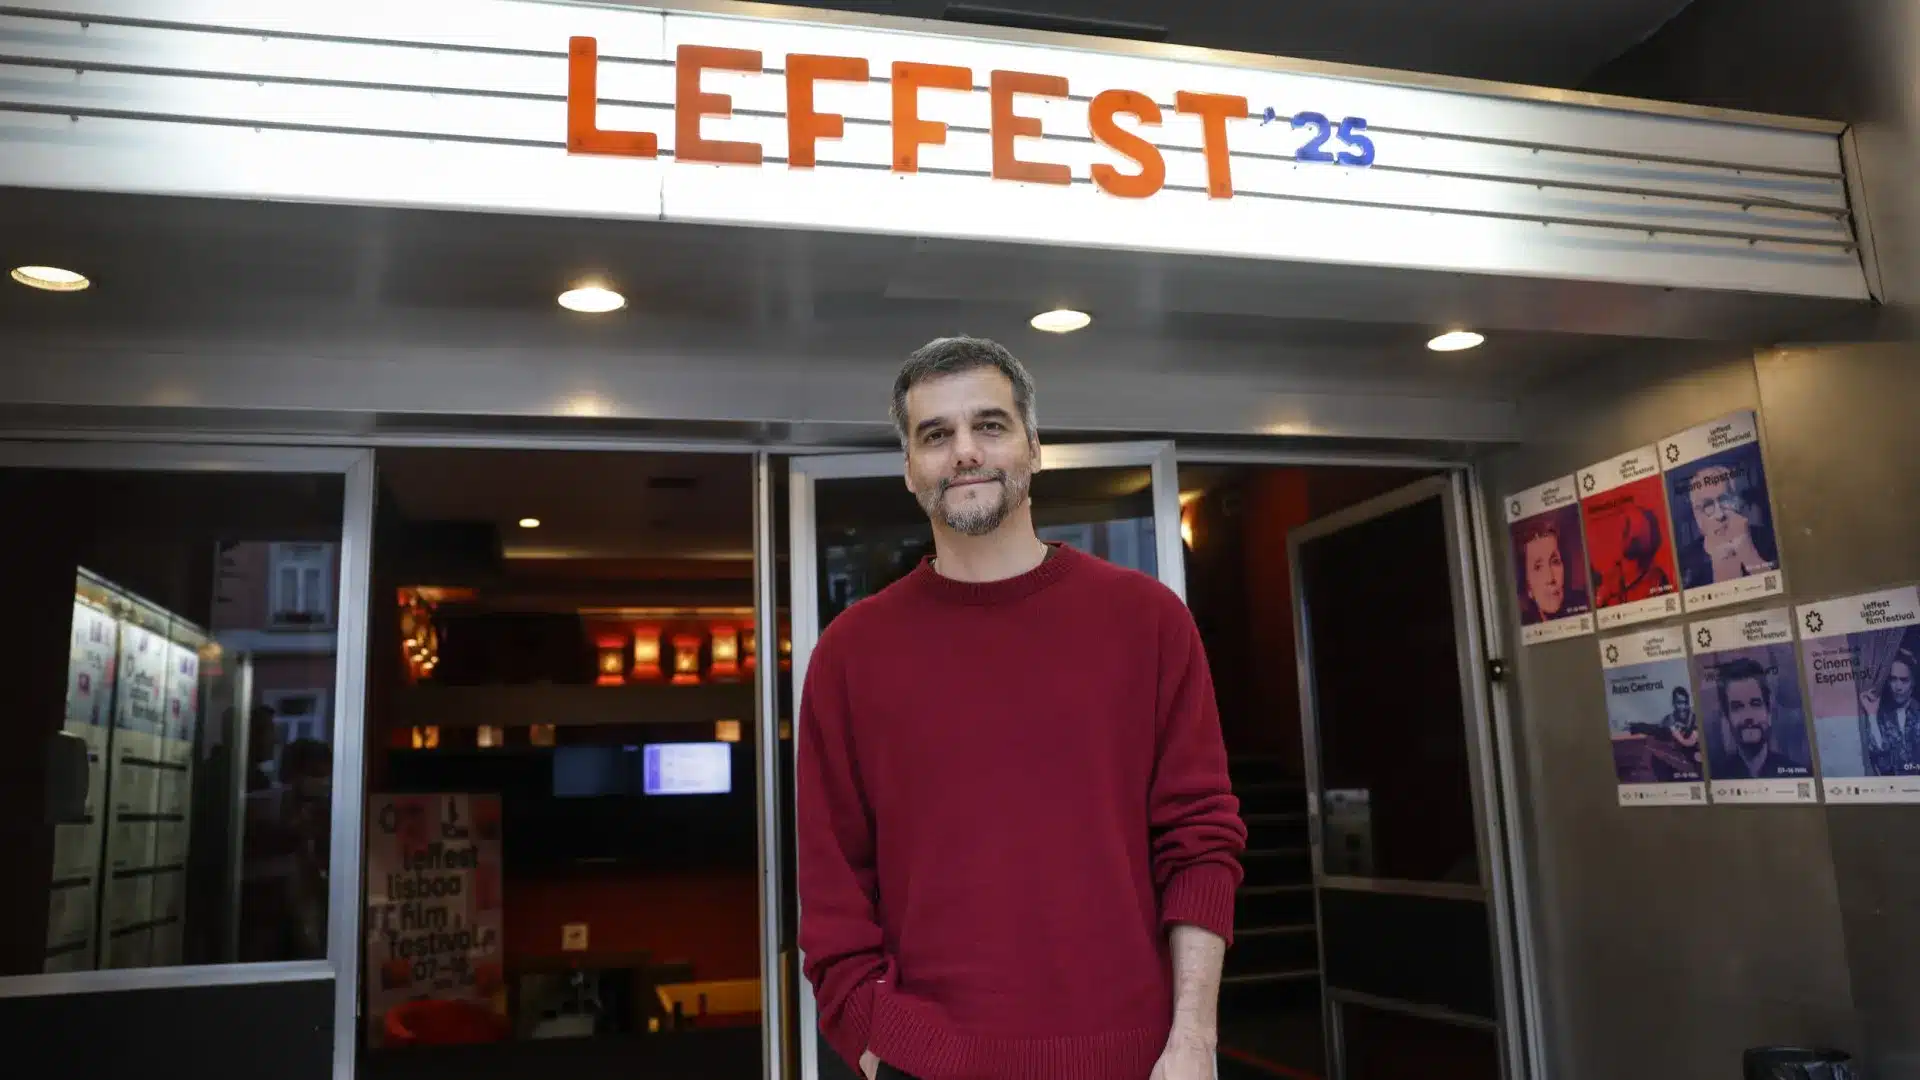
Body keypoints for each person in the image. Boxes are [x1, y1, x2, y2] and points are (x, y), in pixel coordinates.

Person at [795, 336, 1246, 1080]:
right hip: (927, 1065)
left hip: (1138, 1063)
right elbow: (833, 885)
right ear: (909, 469)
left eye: (990, 425)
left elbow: (1200, 839)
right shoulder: (850, 654)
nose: (965, 451)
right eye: (935, 435)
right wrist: (883, 1048)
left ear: (1033, 447)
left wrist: (1193, 1038)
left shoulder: (1147, 621)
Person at [1676, 463, 1778, 589]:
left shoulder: (1768, 538)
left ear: (1737, 502)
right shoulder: (1684, 562)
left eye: (1725, 500)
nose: (1720, 515)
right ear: (1698, 516)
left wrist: (1750, 555)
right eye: (1708, 505)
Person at [1707, 658, 1805, 780]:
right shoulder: (1715, 777)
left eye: (1755, 704)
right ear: (1727, 718)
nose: (1748, 716)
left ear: (1768, 712)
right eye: (1737, 707)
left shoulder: (1800, 774)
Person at [1858, 649, 1920, 776]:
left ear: (1913, 682)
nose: (1898, 687)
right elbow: (1881, 759)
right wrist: (1871, 714)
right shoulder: (1883, 716)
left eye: (1904, 680)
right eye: (1893, 679)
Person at [1625, 686, 1702, 781]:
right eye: (1679, 703)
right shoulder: (1669, 719)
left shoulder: (1694, 718)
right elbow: (1656, 729)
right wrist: (1635, 727)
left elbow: (1691, 741)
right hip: (1677, 760)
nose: (1683, 707)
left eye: (1685, 703)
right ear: (1673, 703)